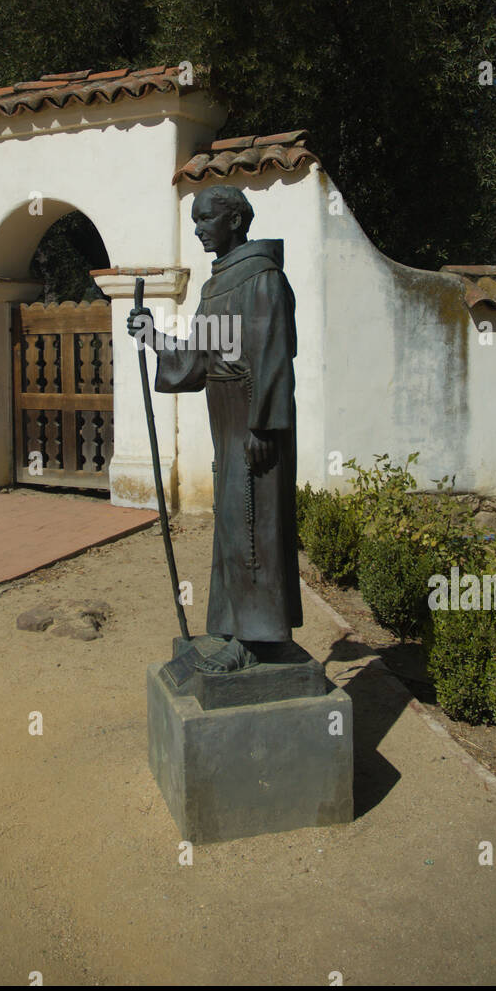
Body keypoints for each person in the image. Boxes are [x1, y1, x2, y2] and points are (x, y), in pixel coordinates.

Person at [127, 184, 303, 673]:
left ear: (235, 220)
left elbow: (273, 356)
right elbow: (201, 356)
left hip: (252, 415)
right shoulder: (217, 284)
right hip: (224, 414)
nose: (200, 230)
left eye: (207, 220)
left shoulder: (262, 278)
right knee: (231, 524)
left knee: (252, 528)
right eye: (196, 222)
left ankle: (258, 639)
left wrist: (265, 427)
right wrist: (153, 335)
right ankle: (236, 627)